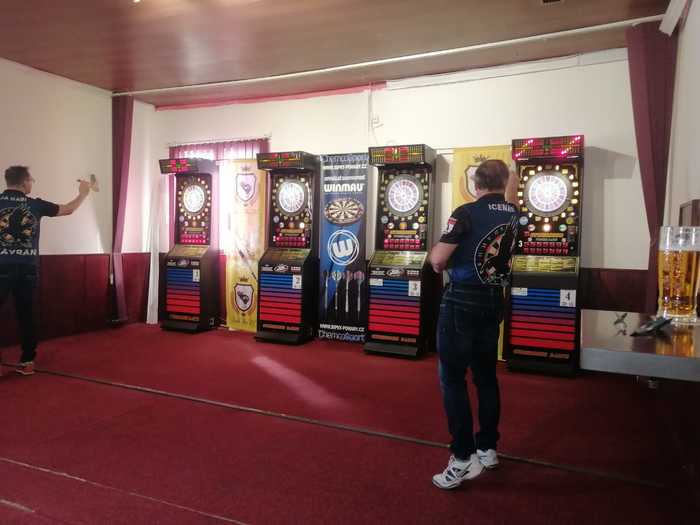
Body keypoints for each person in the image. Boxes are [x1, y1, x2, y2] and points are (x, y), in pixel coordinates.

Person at [429, 159, 519, 490]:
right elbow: (510, 194)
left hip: (461, 302)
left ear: (475, 184)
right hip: (494, 302)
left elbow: (439, 259)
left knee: (452, 380)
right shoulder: (513, 213)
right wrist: (511, 177)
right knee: (486, 378)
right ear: (503, 183)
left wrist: (435, 258)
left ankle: (463, 457)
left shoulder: (466, 212)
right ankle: (487, 448)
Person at [0, 165, 92, 376]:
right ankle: (27, 361)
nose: (32, 183)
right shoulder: (35, 205)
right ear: (24, 182)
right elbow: (68, 209)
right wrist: (83, 194)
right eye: (31, 180)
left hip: (1, 266)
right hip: (27, 269)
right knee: (27, 315)